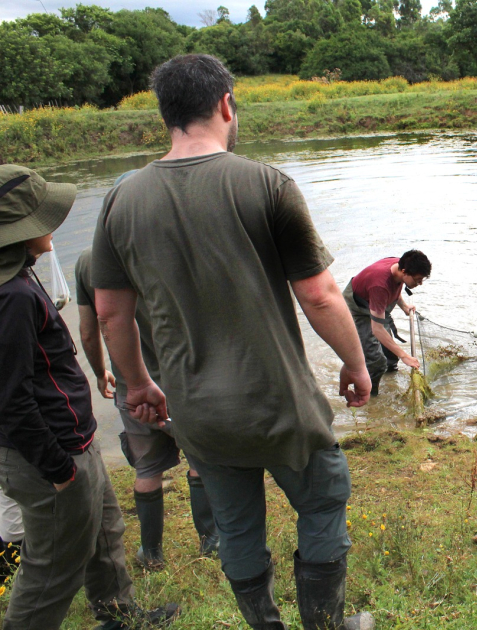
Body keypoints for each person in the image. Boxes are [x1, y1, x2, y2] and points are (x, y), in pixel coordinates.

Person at [91, 54, 373, 630]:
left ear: (165, 114)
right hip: (281, 405)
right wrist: (354, 362)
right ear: (226, 104)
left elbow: (109, 312)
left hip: (198, 412)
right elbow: (319, 296)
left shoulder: (121, 201)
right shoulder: (265, 184)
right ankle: (325, 625)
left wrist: (141, 383)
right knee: (321, 502)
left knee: (237, 525)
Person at [0, 165, 178, 629]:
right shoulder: (12, 298)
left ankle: (119, 615)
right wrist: (58, 469)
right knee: (53, 564)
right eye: (43, 217)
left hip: (73, 439)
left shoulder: (22, 277)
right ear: (21, 232)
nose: (54, 226)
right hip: (50, 453)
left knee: (104, 533)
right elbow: (10, 399)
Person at [76, 234, 219, 570]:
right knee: (199, 460)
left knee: (147, 467)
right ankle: (211, 541)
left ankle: (150, 552)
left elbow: (88, 330)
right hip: (181, 383)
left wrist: (99, 372)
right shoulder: (168, 248)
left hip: (131, 387)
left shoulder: (87, 260)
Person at [343, 251, 432, 397]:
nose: (419, 284)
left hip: (374, 302)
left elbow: (396, 287)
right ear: (404, 272)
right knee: (376, 360)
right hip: (357, 309)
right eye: (417, 280)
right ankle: (368, 397)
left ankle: (390, 375)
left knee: (389, 352)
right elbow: (377, 329)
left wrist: (404, 306)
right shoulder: (380, 286)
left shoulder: (399, 264)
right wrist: (405, 356)